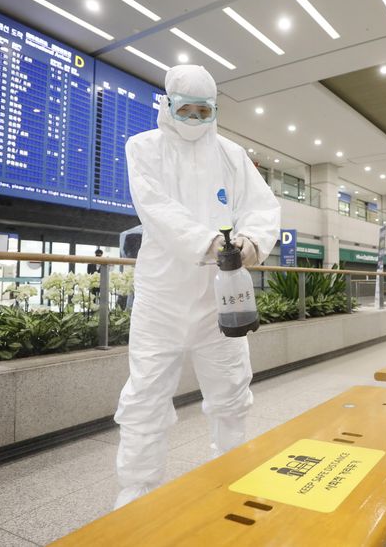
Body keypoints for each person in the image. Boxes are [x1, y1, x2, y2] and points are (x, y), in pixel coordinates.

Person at [113, 65, 280, 509]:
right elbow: (155, 208)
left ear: (215, 110)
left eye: (203, 111)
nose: (194, 118)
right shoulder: (143, 147)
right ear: (167, 105)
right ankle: (137, 493)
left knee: (231, 394)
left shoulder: (231, 154)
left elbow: (262, 205)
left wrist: (253, 239)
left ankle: (231, 476)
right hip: (162, 298)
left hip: (219, 297)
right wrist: (206, 242)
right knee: (146, 398)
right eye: (185, 109)